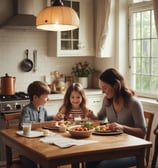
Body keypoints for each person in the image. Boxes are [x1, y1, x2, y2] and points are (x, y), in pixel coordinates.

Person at [86, 68, 147, 168]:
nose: (102, 91)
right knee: (90, 162)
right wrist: (92, 116)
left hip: (132, 152)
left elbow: (142, 132)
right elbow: (100, 117)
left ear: (116, 85)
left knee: (103, 166)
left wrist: (123, 128)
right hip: (113, 147)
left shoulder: (134, 103)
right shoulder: (107, 100)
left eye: (105, 88)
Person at [19, 81, 52, 168]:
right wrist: (44, 124)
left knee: (48, 159)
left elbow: (47, 118)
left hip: (41, 145)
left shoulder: (43, 109)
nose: (48, 99)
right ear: (35, 97)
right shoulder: (27, 110)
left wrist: (56, 117)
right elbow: (24, 125)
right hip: (27, 149)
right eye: (46, 97)